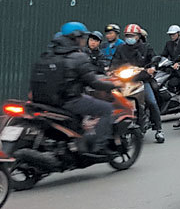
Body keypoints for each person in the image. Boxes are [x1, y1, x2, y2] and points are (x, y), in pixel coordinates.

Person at [32, 22, 119, 154]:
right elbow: (94, 83)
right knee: (107, 108)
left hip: (44, 102)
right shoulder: (78, 56)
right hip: (69, 101)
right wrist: (115, 84)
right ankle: (100, 146)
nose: (85, 41)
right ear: (76, 37)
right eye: (83, 37)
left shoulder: (48, 55)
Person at [111, 24, 165, 144]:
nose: (129, 38)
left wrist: (152, 67)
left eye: (132, 35)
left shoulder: (146, 48)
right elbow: (114, 63)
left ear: (138, 36)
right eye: (127, 36)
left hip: (142, 81)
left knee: (151, 101)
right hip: (124, 82)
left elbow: (154, 60)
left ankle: (159, 129)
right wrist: (112, 70)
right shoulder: (121, 49)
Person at [162, 25, 180, 128]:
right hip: (172, 71)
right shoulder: (168, 44)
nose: (172, 36)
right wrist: (160, 62)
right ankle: (172, 104)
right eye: (170, 35)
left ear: (179, 34)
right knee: (167, 84)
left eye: (173, 34)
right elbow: (164, 55)